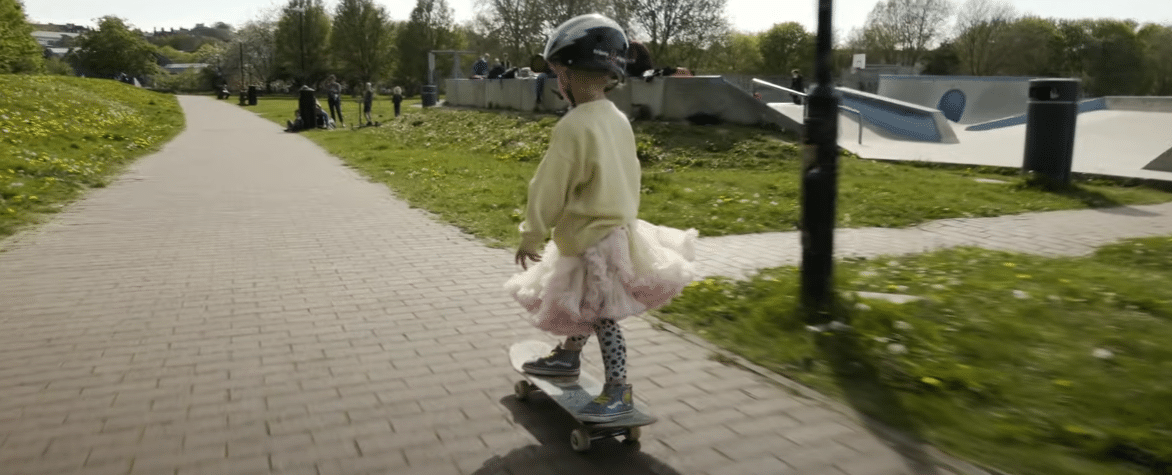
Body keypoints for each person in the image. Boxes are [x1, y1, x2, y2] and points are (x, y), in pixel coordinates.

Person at [504, 13, 697, 423]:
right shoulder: (617, 118)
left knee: (604, 317)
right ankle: (568, 358)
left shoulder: (573, 126)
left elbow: (549, 186)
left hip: (594, 239)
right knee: (589, 302)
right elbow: (630, 175)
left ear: (570, 74)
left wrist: (532, 233)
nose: (558, 82)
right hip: (615, 232)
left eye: (558, 73)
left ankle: (617, 391)